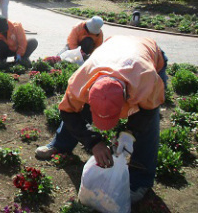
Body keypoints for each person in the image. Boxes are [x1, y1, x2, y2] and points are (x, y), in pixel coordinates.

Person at [35, 36, 168, 204]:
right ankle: (60, 145)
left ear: (126, 98)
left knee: (149, 126)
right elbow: (68, 112)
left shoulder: (146, 80)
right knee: (78, 110)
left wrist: (129, 133)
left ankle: (141, 181)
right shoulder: (81, 80)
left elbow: (148, 110)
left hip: (148, 55)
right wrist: (93, 142)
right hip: (114, 49)